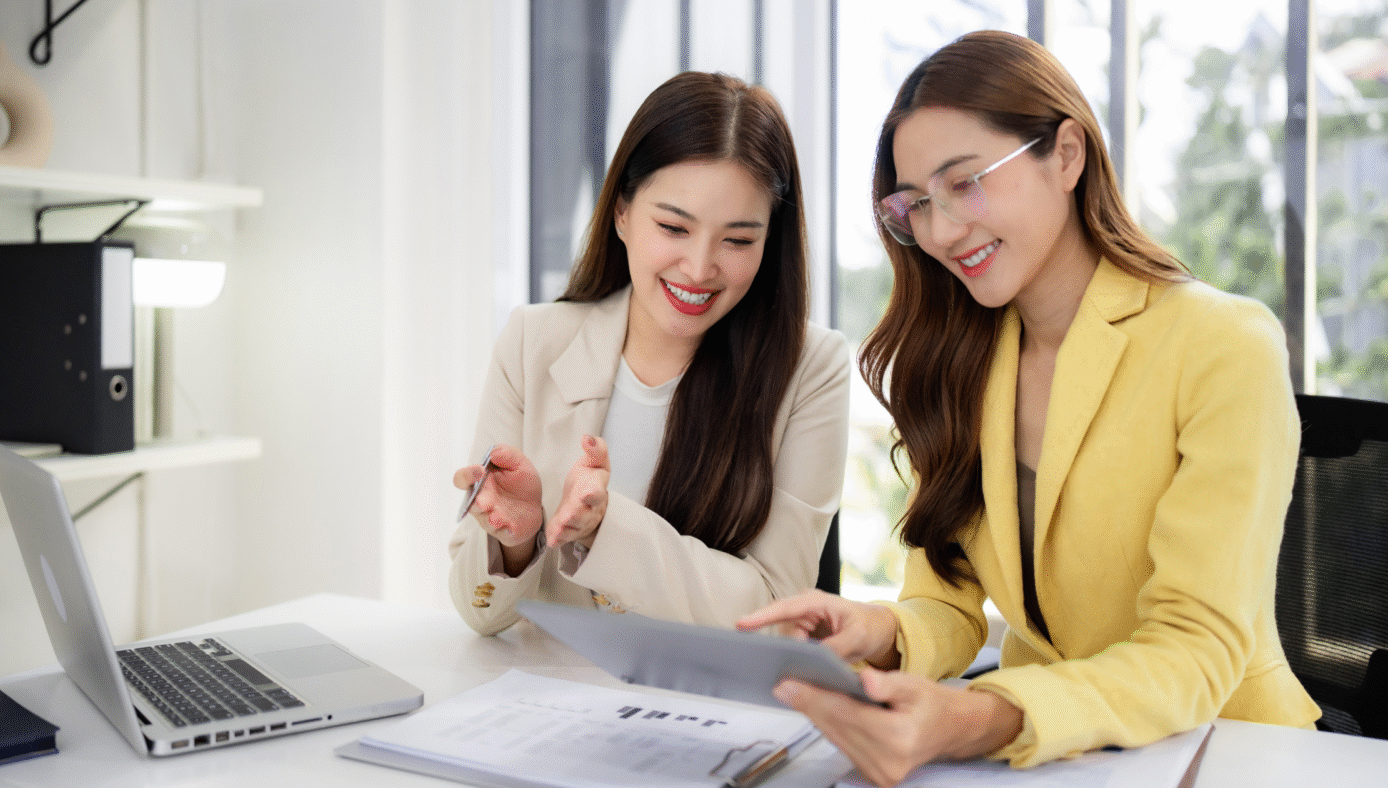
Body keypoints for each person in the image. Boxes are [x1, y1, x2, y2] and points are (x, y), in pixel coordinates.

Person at [737, 30, 1320, 787]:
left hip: (1228, 754)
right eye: (915, 204)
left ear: (1068, 154)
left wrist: (984, 717)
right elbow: (945, 603)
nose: (942, 231)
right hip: (1048, 765)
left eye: (966, 182)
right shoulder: (962, 355)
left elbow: (1193, 646)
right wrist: (878, 631)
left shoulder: (1223, 344)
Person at [448, 71, 850, 636]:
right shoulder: (533, 341)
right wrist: (514, 543)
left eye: (738, 240)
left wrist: (606, 529)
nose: (700, 268)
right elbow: (477, 612)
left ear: (769, 242)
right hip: (546, 701)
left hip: (711, 708)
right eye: (673, 226)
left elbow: (778, 613)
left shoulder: (813, 368)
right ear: (621, 214)